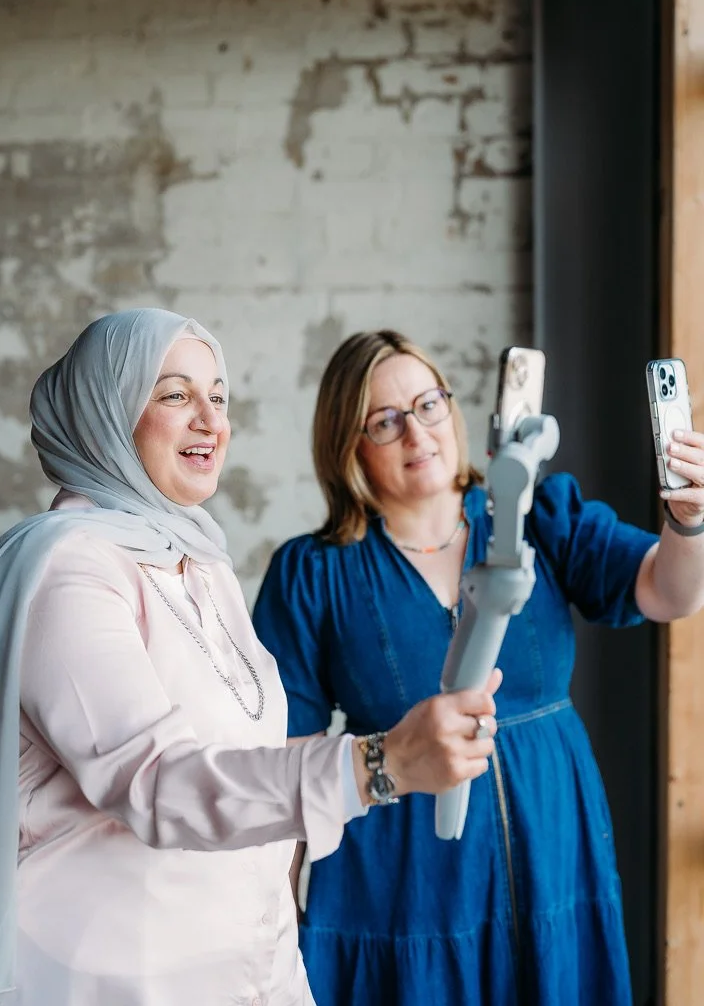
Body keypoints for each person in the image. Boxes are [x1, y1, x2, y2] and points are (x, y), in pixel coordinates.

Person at [0, 310, 503, 1006]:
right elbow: (158, 783)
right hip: (114, 980)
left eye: (219, 396)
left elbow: (248, 773)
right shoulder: (67, 567)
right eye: (175, 395)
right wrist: (380, 765)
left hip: (244, 971)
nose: (211, 421)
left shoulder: (198, 562)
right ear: (105, 413)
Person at [252, 329, 704, 1006]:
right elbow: (288, 764)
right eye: (386, 421)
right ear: (349, 446)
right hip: (400, 889)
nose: (418, 433)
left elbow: (669, 592)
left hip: (552, 849)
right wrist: (275, 915)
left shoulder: (540, 517)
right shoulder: (311, 573)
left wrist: (688, 523)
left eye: (428, 404)